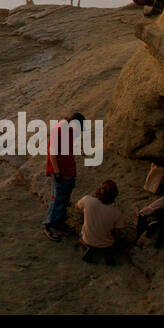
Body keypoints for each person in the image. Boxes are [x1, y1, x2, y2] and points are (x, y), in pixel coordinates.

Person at [43, 112, 83, 240]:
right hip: (61, 171)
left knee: (64, 197)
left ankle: (59, 221)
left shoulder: (68, 130)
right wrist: (57, 172)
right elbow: (52, 152)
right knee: (58, 198)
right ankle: (49, 225)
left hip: (68, 170)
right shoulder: (60, 130)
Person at [76, 180, 123, 264]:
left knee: (82, 225)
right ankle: (107, 256)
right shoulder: (117, 212)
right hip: (106, 245)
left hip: (87, 240)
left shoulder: (88, 200)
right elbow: (117, 233)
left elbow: (77, 206)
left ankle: (89, 249)